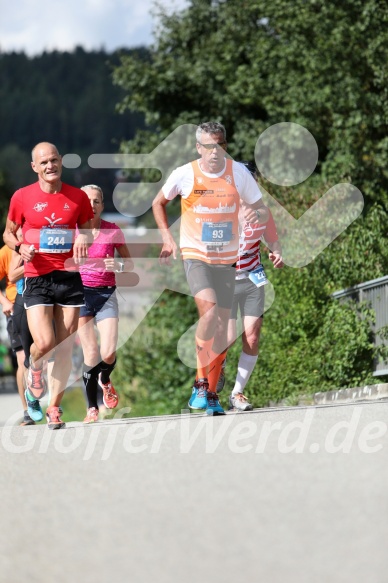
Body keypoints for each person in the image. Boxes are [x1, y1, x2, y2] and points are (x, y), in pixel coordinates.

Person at [152, 121, 269, 415]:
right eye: (208, 146)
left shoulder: (238, 173)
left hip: (227, 261)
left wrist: (258, 219)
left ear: (225, 146)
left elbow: (260, 205)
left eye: (219, 145)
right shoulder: (185, 174)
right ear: (198, 148)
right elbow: (158, 202)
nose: (214, 152)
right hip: (196, 255)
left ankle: (212, 392)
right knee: (210, 313)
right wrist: (167, 236)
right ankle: (200, 383)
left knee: (222, 330)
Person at [3, 141, 93, 430]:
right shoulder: (22, 197)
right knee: (45, 344)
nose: (49, 166)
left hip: (68, 276)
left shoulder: (78, 197)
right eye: (43, 162)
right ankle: (35, 371)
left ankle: (54, 407)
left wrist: (82, 238)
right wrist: (20, 246)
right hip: (37, 277)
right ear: (34, 167)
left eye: (53, 160)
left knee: (64, 347)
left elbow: (89, 230)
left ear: (61, 161)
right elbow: (8, 233)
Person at [221, 161, 284, 411]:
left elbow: (274, 241)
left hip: (252, 279)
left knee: (252, 336)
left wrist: (276, 254)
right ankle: (215, 371)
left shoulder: (264, 213)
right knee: (226, 338)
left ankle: (237, 393)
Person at [77, 184, 132, 424]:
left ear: (102, 205)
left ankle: (105, 379)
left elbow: (129, 264)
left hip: (106, 294)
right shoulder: (72, 231)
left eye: (96, 201)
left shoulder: (112, 230)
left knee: (108, 352)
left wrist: (118, 266)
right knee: (90, 352)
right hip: (79, 296)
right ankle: (92, 408)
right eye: (87, 200)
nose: (92, 205)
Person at [0, 242, 40, 425]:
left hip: (39, 305)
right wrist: (4, 302)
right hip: (15, 308)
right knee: (22, 358)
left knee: (41, 354)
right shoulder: (6, 251)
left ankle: (44, 401)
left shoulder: (40, 243)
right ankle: (28, 411)